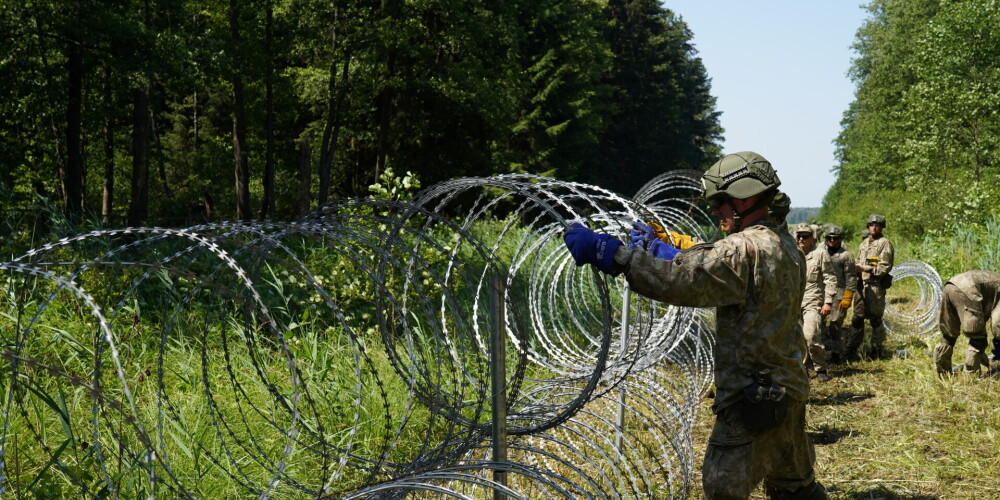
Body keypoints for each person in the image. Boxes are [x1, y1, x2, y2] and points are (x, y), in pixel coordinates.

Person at [564, 151, 827, 499]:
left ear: (744, 198)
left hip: (752, 401)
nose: (716, 210)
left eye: (720, 201)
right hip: (788, 388)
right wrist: (664, 251)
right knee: (796, 487)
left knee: (721, 490)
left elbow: (683, 280)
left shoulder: (744, 248)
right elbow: (716, 266)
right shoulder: (785, 243)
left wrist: (613, 254)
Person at [933, 270, 1000, 375]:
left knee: (948, 336)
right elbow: (997, 325)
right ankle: (970, 376)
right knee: (978, 339)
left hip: (951, 285)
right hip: (969, 290)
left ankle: (943, 373)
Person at [848, 214, 894, 361]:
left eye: (877, 225)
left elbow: (884, 267)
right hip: (861, 287)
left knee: (875, 320)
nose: (874, 227)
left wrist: (865, 268)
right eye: (871, 225)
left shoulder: (884, 243)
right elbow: (858, 259)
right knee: (857, 319)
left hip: (875, 287)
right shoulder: (864, 244)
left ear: (881, 227)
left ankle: (876, 350)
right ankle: (852, 348)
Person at [794, 223, 837, 382]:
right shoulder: (792, 254)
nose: (801, 239)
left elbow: (830, 278)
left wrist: (828, 301)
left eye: (805, 236)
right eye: (798, 236)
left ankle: (820, 368)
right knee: (797, 339)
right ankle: (802, 369)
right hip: (795, 302)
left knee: (811, 335)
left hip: (813, 300)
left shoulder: (820, 254)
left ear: (812, 238)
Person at [819, 224, 858, 364]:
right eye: (829, 238)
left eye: (835, 238)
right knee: (819, 323)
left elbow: (851, 277)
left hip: (840, 292)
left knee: (835, 324)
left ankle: (836, 353)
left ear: (840, 239)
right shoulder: (820, 252)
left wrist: (848, 296)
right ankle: (821, 352)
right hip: (822, 292)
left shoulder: (846, 256)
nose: (832, 241)